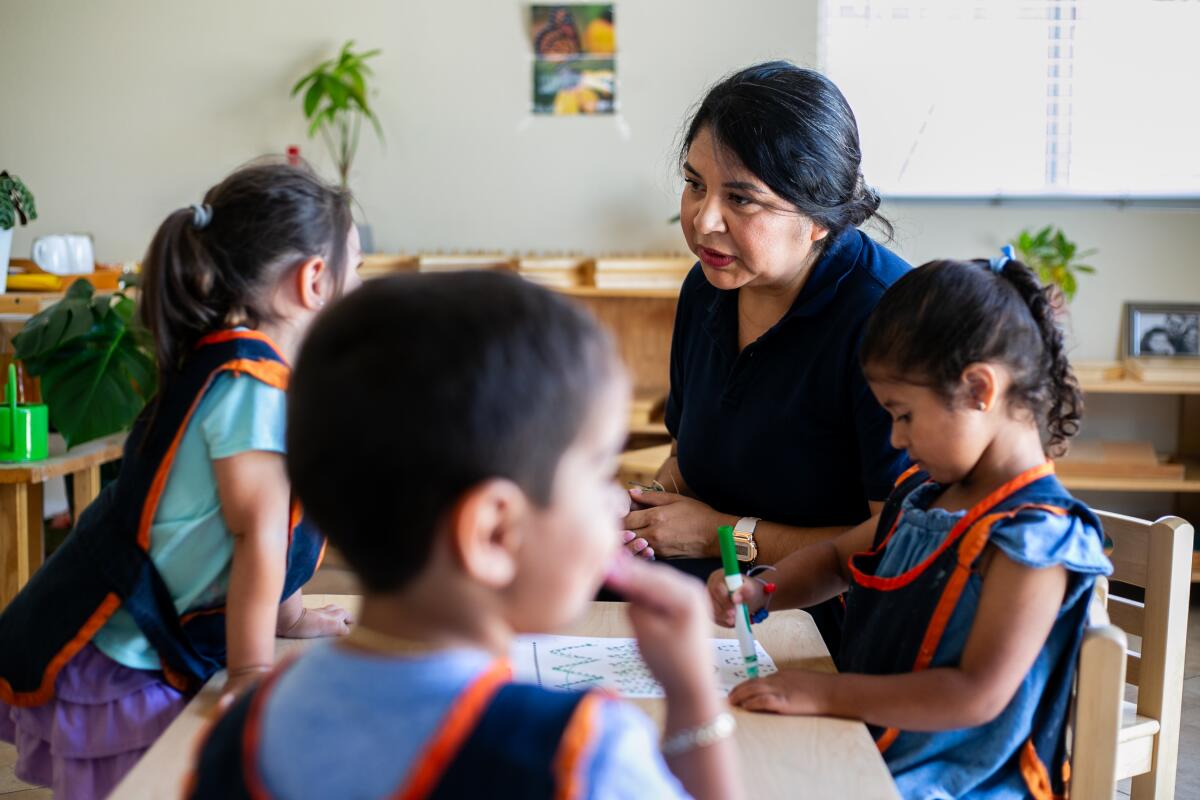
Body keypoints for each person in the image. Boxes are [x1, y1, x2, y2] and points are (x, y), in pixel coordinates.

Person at [189, 272, 741, 800]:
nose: (611, 502)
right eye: (599, 474)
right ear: (493, 532)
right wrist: (692, 696)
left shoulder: (243, 730)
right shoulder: (581, 755)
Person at [0, 161, 359, 799]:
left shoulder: (246, 367)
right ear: (313, 281)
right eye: (354, 269)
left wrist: (291, 617)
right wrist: (250, 672)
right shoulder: (252, 389)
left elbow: (274, 531)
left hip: (144, 636)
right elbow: (257, 535)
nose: (356, 285)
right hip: (121, 649)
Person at [709, 255, 1112, 797]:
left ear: (979, 391)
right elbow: (834, 560)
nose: (896, 441)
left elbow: (975, 696)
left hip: (953, 781)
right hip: (870, 744)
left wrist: (826, 695)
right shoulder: (920, 497)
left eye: (903, 415)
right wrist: (762, 589)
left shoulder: (1035, 538)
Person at [622, 61, 910, 648]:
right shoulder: (707, 287)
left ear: (819, 217)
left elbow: (897, 542)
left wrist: (725, 534)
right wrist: (637, 514)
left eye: (742, 199)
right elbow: (688, 463)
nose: (703, 220)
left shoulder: (888, 318)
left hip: (825, 616)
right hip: (703, 591)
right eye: (694, 183)